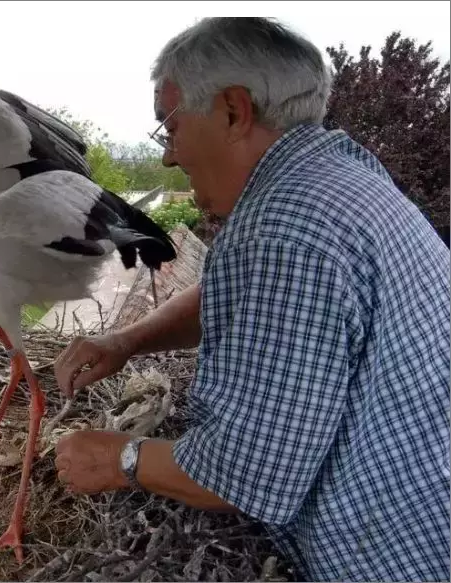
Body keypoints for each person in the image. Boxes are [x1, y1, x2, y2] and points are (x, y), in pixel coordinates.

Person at [52, 17, 450, 582]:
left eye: (169, 127)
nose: (168, 156)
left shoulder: (283, 230)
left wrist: (117, 458)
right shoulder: (337, 173)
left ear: (233, 111)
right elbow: (234, 297)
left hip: (401, 557)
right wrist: (127, 340)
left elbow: (245, 474)